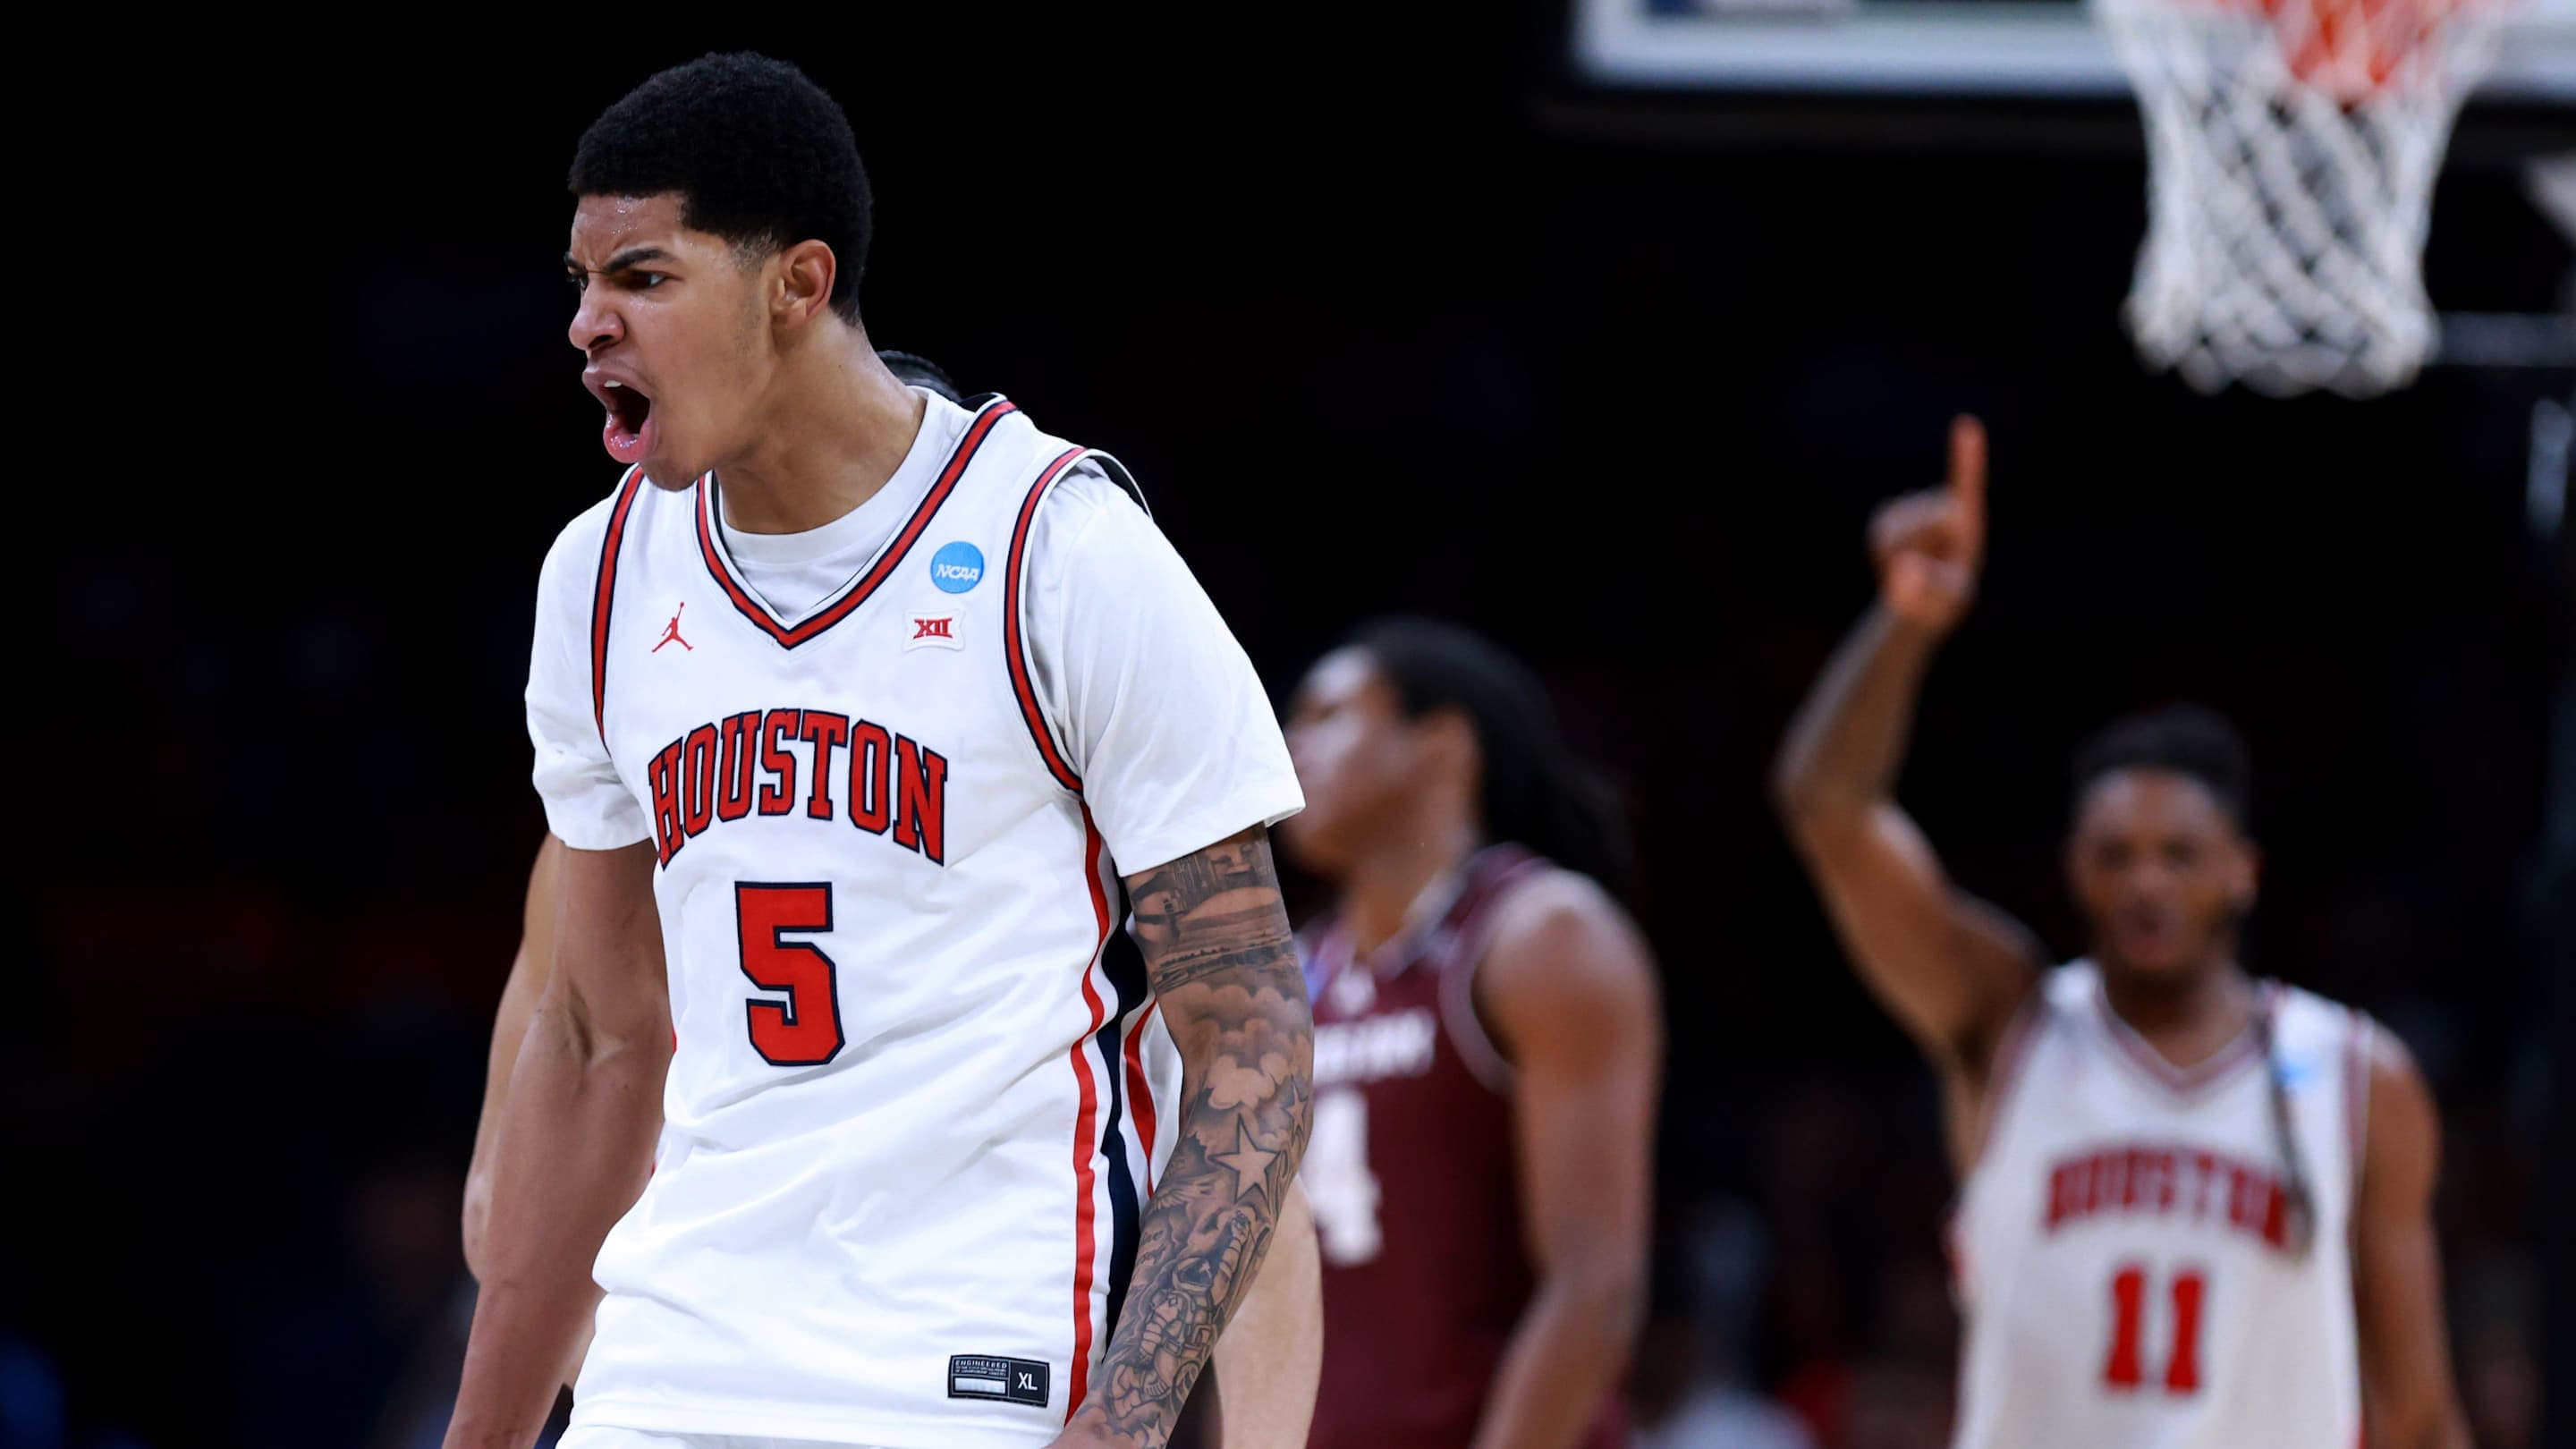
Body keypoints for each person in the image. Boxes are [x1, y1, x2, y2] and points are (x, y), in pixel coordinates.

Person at [446, 55, 1314, 1449]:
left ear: (796, 283)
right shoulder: (599, 579)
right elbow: (600, 1036)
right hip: (677, 1354)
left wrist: (1132, 1416)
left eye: (645, 279)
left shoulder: (1059, 548)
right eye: (582, 281)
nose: (587, 325)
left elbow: (1252, 1031)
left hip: (974, 1358)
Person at [1769, 418, 2470, 1448]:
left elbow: (2417, 1413)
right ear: (2073, 871)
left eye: (2180, 856)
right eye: (2116, 855)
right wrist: (1904, 623)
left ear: (2243, 870)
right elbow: (1827, 807)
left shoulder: (2361, 1075)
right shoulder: (2005, 1021)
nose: (2146, 882)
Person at [1280, 618, 1661, 1449]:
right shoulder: (1292, 975)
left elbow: (1595, 1287)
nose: (1289, 743)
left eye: (1329, 715)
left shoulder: (1539, 937)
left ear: (1442, 746)